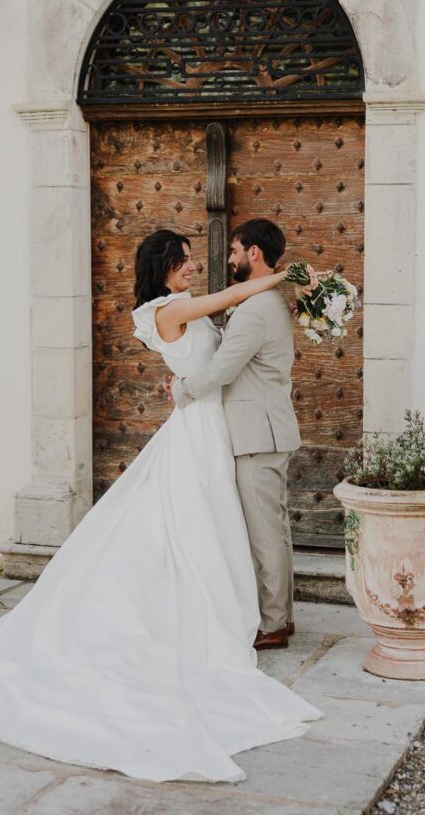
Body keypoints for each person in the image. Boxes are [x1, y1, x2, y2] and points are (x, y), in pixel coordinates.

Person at [0, 227, 322, 784]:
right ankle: (212, 612)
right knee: (195, 524)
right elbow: (231, 302)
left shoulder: (185, 305)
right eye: (184, 261)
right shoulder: (167, 309)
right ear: (164, 267)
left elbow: (223, 331)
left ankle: (244, 608)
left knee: (215, 523)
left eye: (193, 261)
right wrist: (288, 276)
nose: (193, 267)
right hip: (201, 427)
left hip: (216, 427)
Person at [168, 218, 302, 649]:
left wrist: (182, 390)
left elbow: (225, 368)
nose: (229, 259)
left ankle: (274, 623)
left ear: (254, 254)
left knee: (265, 531)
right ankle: (282, 615)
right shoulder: (270, 300)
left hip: (256, 433)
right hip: (265, 428)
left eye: (235, 251)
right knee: (274, 527)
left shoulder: (257, 308)